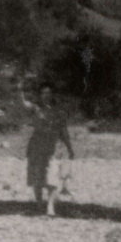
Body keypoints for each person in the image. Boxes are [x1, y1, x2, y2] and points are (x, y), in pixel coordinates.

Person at [22, 83, 76, 216]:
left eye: (49, 93)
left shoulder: (59, 112)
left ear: (53, 95)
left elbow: (63, 130)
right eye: (43, 93)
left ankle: (50, 206)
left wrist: (69, 147)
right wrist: (20, 89)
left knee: (53, 176)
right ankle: (39, 204)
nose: (46, 95)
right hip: (36, 146)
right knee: (37, 177)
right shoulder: (35, 109)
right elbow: (22, 104)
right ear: (39, 95)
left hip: (53, 147)